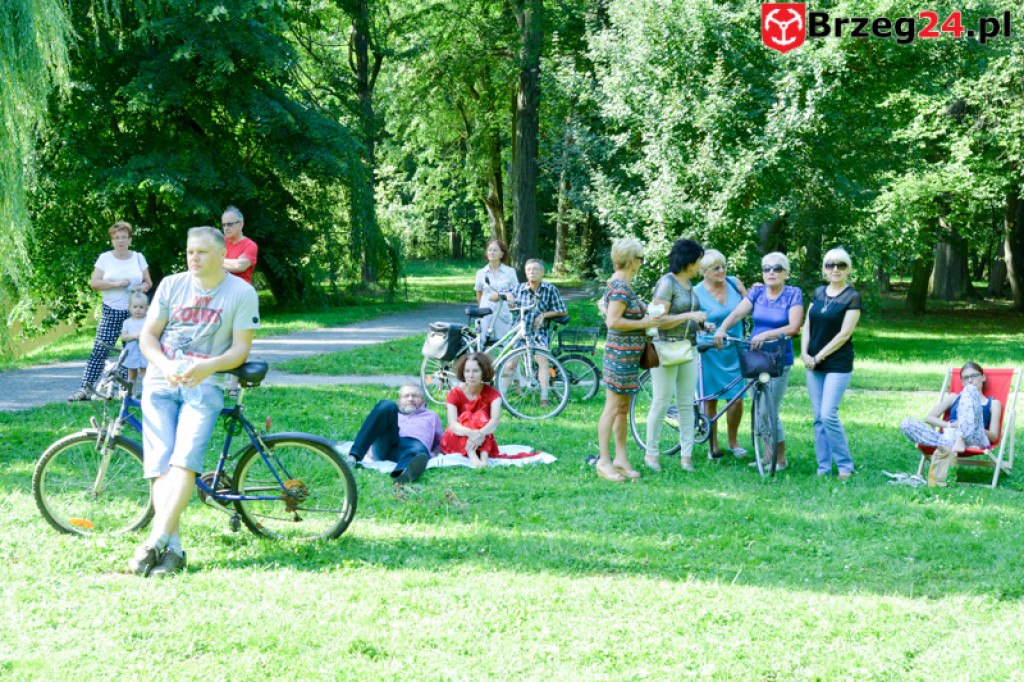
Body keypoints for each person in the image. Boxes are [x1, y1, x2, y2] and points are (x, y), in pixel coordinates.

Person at [131, 226, 260, 577]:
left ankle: (155, 542)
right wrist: (165, 365)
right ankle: (172, 549)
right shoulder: (172, 285)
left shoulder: (242, 292)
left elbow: (240, 349)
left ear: (222, 256)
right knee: (159, 464)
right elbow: (148, 337)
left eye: (202, 252)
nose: (194, 258)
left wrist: (207, 367)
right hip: (161, 380)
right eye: (190, 251)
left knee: (184, 461)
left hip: (206, 384)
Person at [595, 238, 683, 482]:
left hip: (628, 357)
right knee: (612, 407)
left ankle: (620, 459)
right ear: (633, 261)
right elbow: (612, 321)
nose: (641, 264)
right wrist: (643, 323)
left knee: (623, 409)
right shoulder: (620, 286)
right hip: (619, 357)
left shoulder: (622, 284)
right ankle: (603, 461)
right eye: (640, 260)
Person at [713, 252, 803, 471]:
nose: (771, 272)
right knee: (758, 407)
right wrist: (722, 329)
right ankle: (766, 456)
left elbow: (793, 327)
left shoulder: (793, 293)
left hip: (778, 359)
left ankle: (779, 458)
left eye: (777, 268)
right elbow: (736, 314)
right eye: (766, 268)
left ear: (786, 273)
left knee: (768, 410)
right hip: (755, 358)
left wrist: (766, 335)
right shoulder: (757, 292)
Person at [70, 221, 153, 401]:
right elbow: (95, 283)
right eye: (116, 238)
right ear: (112, 241)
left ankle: (126, 391)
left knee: (130, 352)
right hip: (111, 310)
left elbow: (148, 282)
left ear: (130, 240)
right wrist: (116, 284)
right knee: (100, 350)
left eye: (124, 238)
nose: (120, 241)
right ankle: (85, 389)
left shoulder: (138, 257)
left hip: (134, 313)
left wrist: (140, 287)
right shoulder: (105, 258)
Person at [645, 238, 708, 473]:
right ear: (688, 260)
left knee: (686, 404)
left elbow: (690, 317)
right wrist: (690, 317)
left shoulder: (690, 285)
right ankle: (651, 455)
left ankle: (687, 457)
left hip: (689, 348)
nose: (701, 265)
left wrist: (702, 325)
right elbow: (657, 319)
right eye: (699, 260)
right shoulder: (667, 283)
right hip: (665, 348)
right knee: (661, 403)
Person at [801, 248, 862, 479]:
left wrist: (818, 356)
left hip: (837, 362)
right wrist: (805, 353)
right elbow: (808, 324)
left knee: (828, 414)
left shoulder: (852, 296)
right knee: (818, 418)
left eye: (841, 265)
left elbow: (844, 334)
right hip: (813, 363)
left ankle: (845, 465)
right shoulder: (818, 292)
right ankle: (823, 467)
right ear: (825, 268)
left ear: (847, 269)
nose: (835, 269)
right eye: (830, 265)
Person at [693, 249, 748, 460]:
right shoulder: (696, 292)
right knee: (711, 400)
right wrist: (702, 327)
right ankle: (712, 445)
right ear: (704, 272)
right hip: (710, 351)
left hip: (735, 348)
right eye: (715, 268)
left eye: (723, 265)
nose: (721, 271)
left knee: (737, 398)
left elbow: (749, 305)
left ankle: (733, 441)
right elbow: (693, 322)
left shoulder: (734, 283)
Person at [900, 361, 1001, 459]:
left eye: (974, 376)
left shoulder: (993, 403)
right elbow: (929, 418)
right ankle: (956, 445)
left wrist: (971, 425)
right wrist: (950, 425)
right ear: (962, 382)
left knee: (971, 390)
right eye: (966, 378)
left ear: (983, 377)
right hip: (950, 437)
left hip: (975, 438)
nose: (970, 380)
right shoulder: (954, 397)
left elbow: (994, 437)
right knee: (906, 423)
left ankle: (961, 440)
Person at [348, 382, 444, 483]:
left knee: (418, 446)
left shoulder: (431, 416)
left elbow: (438, 443)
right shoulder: (392, 413)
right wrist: (371, 447)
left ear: (422, 400)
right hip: (387, 446)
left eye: (415, 396)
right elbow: (374, 429)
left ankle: (403, 474)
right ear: (399, 401)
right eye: (406, 396)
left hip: (413, 448)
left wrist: (431, 453)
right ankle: (353, 457)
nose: (410, 399)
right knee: (386, 405)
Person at [511, 259, 567, 406]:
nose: (532, 272)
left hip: (538, 332)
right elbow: (497, 295)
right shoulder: (518, 289)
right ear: (525, 272)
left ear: (542, 272)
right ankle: (501, 397)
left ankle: (544, 398)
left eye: (535, 269)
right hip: (519, 331)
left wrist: (544, 315)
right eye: (529, 269)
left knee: (543, 360)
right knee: (510, 363)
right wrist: (506, 295)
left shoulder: (550, 289)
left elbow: (562, 310)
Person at [440, 353, 502, 469]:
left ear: (484, 372)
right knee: (467, 416)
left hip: (483, 439)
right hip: (456, 438)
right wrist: (471, 433)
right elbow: (452, 424)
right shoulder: (454, 394)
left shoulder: (493, 394)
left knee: (481, 416)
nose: (471, 375)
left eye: (476, 371)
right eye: (467, 371)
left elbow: (495, 421)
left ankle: (484, 458)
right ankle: (473, 457)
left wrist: (480, 434)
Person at [474, 239, 519, 341]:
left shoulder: (510, 272)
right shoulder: (481, 273)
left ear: (502, 254)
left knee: (504, 344)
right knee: (484, 346)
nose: (492, 253)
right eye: (490, 250)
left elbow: (515, 292)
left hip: (503, 314)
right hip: (485, 314)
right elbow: (479, 292)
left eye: (495, 250)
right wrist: (481, 309)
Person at [120, 292, 150, 398]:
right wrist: (135, 336)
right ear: (130, 308)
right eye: (135, 307)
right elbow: (124, 337)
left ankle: (147, 394)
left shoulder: (148, 321)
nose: (138, 309)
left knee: (145, 374)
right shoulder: (127, 322)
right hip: (132, 352)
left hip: (144, 352)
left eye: (141, 307)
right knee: (132, 375)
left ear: (146, 309)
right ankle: (131, 394)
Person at [221, 206, 258, 284]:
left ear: (241, 225)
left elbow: (239, 267)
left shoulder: (250, 245)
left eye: (229, 224)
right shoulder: (220, 242)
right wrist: (235, 261)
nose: (226, 228)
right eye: (224, 225)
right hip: (221, 290)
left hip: (240, 291)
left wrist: (216, 261)